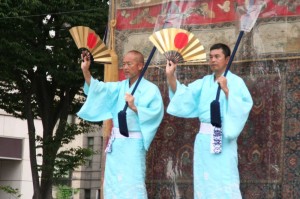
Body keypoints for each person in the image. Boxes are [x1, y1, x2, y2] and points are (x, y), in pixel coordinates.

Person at [165, 43, 253, 199]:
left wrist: (226, 90)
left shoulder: (236, 82)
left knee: (224, 177)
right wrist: (170, 75)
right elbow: (183, 94)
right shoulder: (204, 82)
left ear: (227, 59)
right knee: (204, 179)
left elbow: (243, 107)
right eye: (210, 57)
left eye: (217, 56)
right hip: (204, 140)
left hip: (223, 136)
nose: (212, 60)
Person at [77, 50, 164, 199]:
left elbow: (156, 113)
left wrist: (135, 107)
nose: (125, 67)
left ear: (140, 66)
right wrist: (86, 70)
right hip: (117, 144)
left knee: (132, 181)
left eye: (129, 64)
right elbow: (98, 88)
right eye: (124, 64)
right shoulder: (119, 87)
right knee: (113, 183)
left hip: (134, 144)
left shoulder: (151, 89)